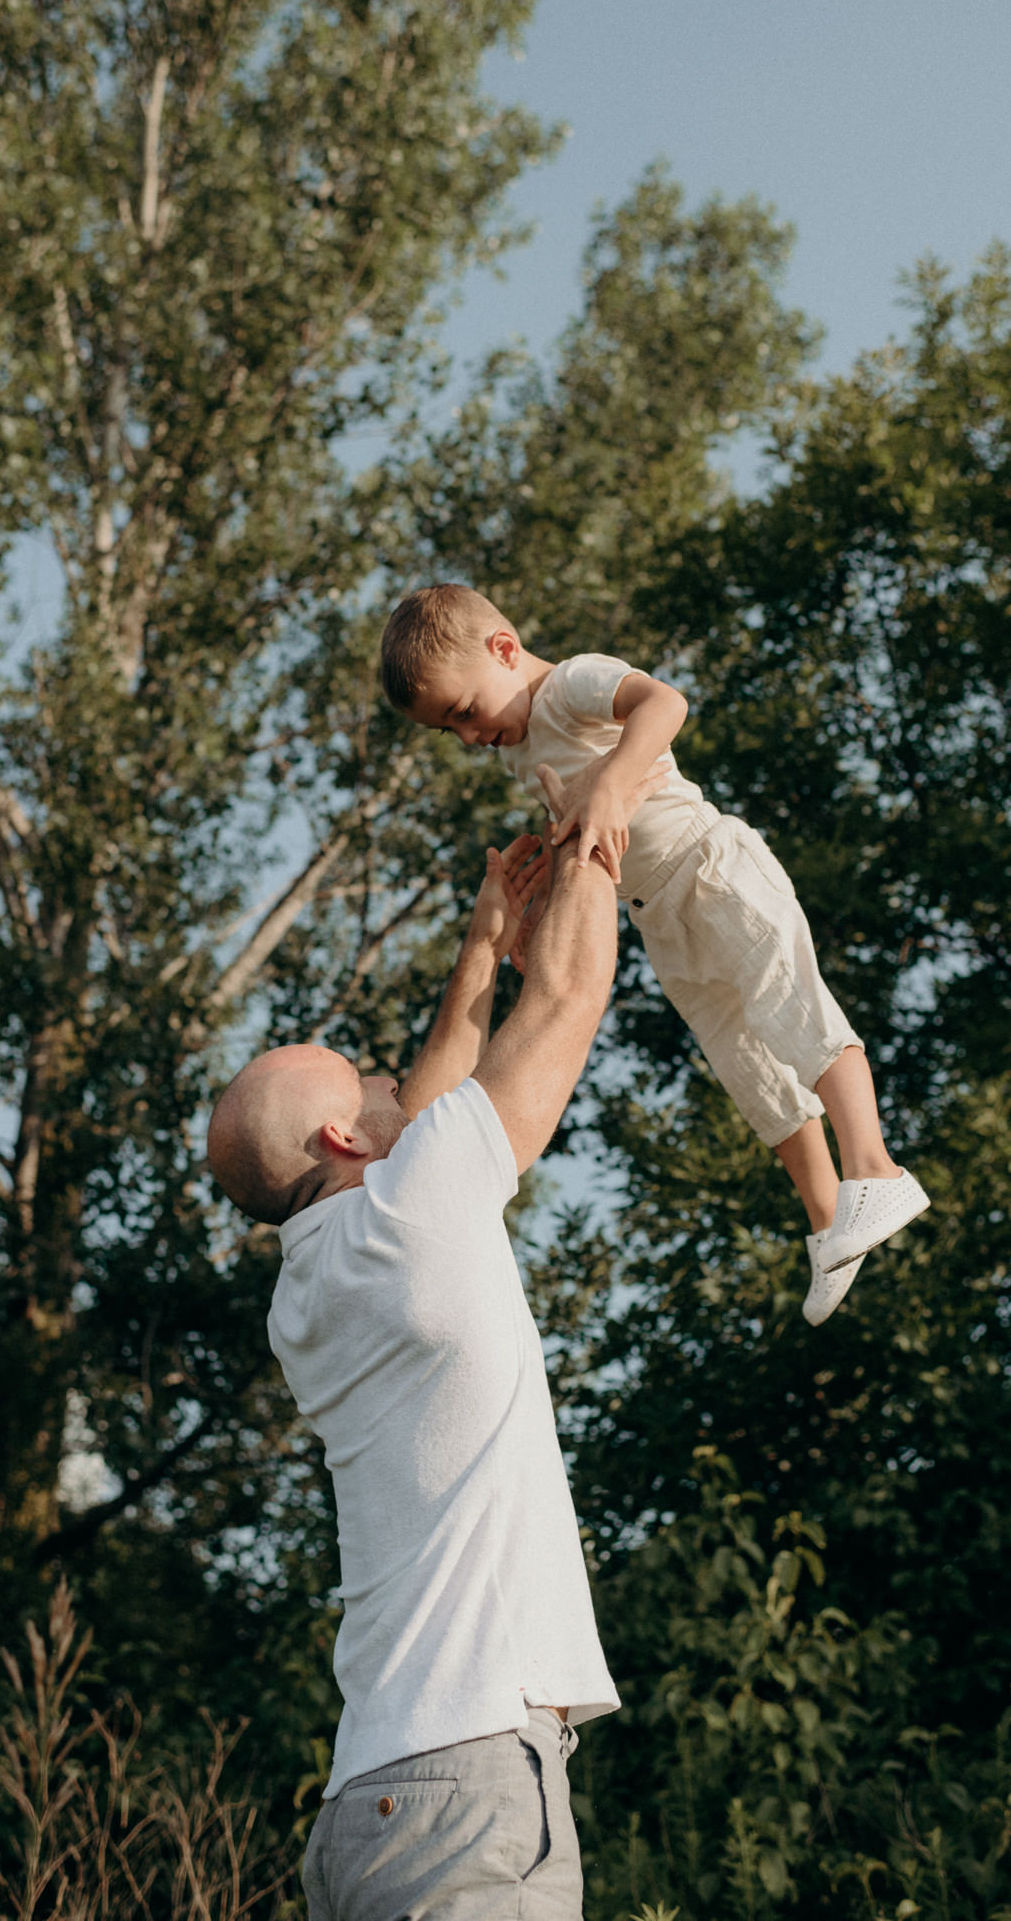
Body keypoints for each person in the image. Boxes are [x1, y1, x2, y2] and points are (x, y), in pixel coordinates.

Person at [208, 815, 660, 1919]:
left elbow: (420, 1118)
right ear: (342, 1142)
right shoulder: (413, 1214)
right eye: (359, 1077)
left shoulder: (307, 1285)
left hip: (375, 1795)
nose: (384, 1079)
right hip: (462, 1789)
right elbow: (564, 999)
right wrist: (607, 815)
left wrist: (479, 940)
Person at [379, 583, 930, 1328]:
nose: (471, 738)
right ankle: (829, 1215)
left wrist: (611, 778)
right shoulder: (522, 753)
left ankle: (875, 1165)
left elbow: (663, 704)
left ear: (503, 651)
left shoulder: (571, 682)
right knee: (745, 1061)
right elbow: (576, 829)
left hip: (711, 868)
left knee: (788, 1004)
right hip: (657, 914)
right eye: (451, 732)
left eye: (465, 713)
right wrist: (537, 908)